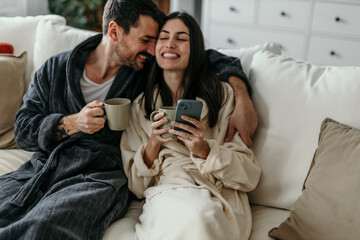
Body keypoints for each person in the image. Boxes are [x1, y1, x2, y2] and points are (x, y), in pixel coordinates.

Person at [0, 1, 256, 239]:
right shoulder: (55, 69)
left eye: (154, 41)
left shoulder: (144, 71)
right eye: (146, 40)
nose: (153, 49)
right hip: (46, 167)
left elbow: (207, 57)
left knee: (43, 225)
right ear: (114, 31)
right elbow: (23, 130)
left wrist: (242, 98)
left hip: (98, 175)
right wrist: (72, 122)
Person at [121, 12, 261, 240]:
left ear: (195, 48)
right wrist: (153, 144)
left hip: (216, 194)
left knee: (203, 214)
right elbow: (136, 185)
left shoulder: (222, 96)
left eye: (181, 38)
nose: (170, 44)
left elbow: (249, 175)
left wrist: (204, 150)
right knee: (192, 215)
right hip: (170, 190)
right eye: (163, 38)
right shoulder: (141, 105)